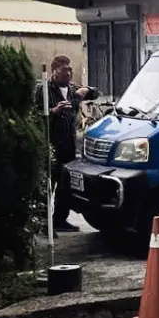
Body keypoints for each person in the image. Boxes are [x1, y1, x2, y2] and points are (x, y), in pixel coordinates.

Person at [35, 55, 99, 234]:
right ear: (55, 71)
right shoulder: (44, 89)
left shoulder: (72, 89)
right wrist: (54, 111)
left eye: (70, 70)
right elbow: (35, 113)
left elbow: (95, 93)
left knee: (65, 186)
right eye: (65, 70)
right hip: (51, 144)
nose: (69, 73)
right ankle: (43, 224)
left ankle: (60, 220)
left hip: (69, 145)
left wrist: (85, 90)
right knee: (48, 185)